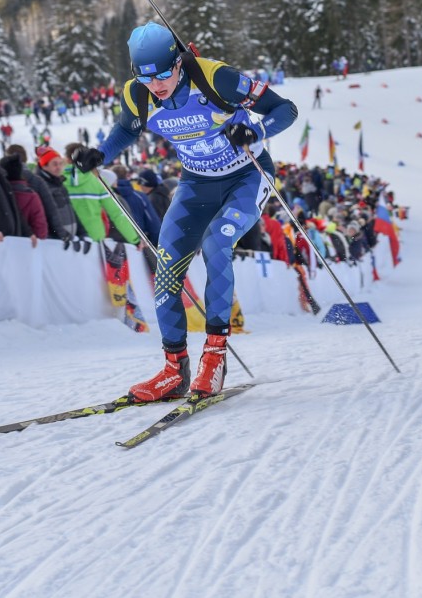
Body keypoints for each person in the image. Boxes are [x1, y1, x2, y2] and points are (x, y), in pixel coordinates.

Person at [71, 21, 298, 400]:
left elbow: (285, 109)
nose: (155, 84)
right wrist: (100, 154)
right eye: (145, 77)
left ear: (178, 62)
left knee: (216, 244)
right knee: (167, 264)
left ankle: (214, 356)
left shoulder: (216, 78)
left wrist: (256, 132)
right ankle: (174, 370)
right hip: (196, 183)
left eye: (162, 74)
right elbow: (127, 129)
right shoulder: (137, 94)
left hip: (246, 176)